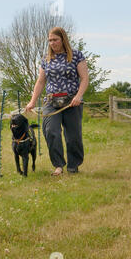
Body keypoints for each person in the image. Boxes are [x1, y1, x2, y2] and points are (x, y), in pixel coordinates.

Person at [26, 27, 89, 176]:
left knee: (73, 136)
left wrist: (78, 96)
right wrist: (32, 101)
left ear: (63, 40)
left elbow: (85, 78)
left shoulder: (76, 56)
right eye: (50, 40)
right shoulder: (46, 59)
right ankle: (58, 165)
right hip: (51, 101)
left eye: (55, 40)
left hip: (72, 101)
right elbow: (41, 82)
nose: (52, 43)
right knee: (50, 131)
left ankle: (73, 166)